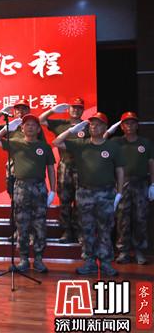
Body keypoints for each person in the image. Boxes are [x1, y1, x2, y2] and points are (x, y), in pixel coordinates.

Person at [52, 112, 124, 276]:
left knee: (105, 229)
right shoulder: (81, 144)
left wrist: (119, 193)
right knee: (86, 229)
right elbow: (56, 142)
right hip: (85, 192)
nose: (94, 127)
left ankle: (105, 263)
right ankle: (89, 262)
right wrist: (71, 131)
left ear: (105, 128)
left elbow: (120, 170)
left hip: (106, 193)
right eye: (91, 124)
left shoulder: (112, 147)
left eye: (98, 124)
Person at [0, 114, 56, 273]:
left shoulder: (44, 147)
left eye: (33, 125)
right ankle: (24, 259)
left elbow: (51, 170)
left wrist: (53, 190)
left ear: (39, 129)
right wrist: (6, 129)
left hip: (39, 187)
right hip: (20, 187)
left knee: (40, 225)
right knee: (22, 225)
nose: (30, 127)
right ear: (22, 128)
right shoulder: (15, 143)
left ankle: (38, 259)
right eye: (27, 125)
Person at [105, 112, 154, 265]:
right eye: (126, 123)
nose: (130, 126)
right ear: (122, 126)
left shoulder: (145, 143)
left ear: (137, 125)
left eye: (133, 123)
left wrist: (153, 184)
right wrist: (110, 131)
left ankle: (139, 251)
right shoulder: (116, 142)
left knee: (140, 218)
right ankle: (123, 251)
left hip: (141, 183)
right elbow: (101, 141)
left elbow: (151, 164)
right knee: (122, 219)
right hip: (122, 183)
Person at [39, 97, 89, 243]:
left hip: (83, 167)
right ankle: (66, 232)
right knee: (65, 201)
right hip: (65, 166)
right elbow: (40, 120)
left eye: (79, 108)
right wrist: (52, 110)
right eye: (73, 107)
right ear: (68, 109)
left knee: (81, 201)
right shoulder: (61, 124)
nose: (76, 110)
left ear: (83, 110)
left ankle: (79, 232)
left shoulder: (87, 126)